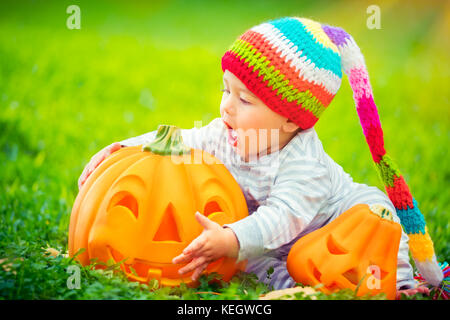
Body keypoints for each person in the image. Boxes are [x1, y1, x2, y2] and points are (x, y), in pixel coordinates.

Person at [78, 17, 444, 298]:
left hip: (334, 226)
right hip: (274, 244)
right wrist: (126, 148)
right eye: (225, 90)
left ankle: (398, 282)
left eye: (244, 100)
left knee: (375, 212)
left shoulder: (305, 165)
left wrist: (232, 237)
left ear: (289, 118)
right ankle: (299, 282)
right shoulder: (227, 133)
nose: (226, 107)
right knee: (249, 265)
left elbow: (282, 217)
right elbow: (181, 140)